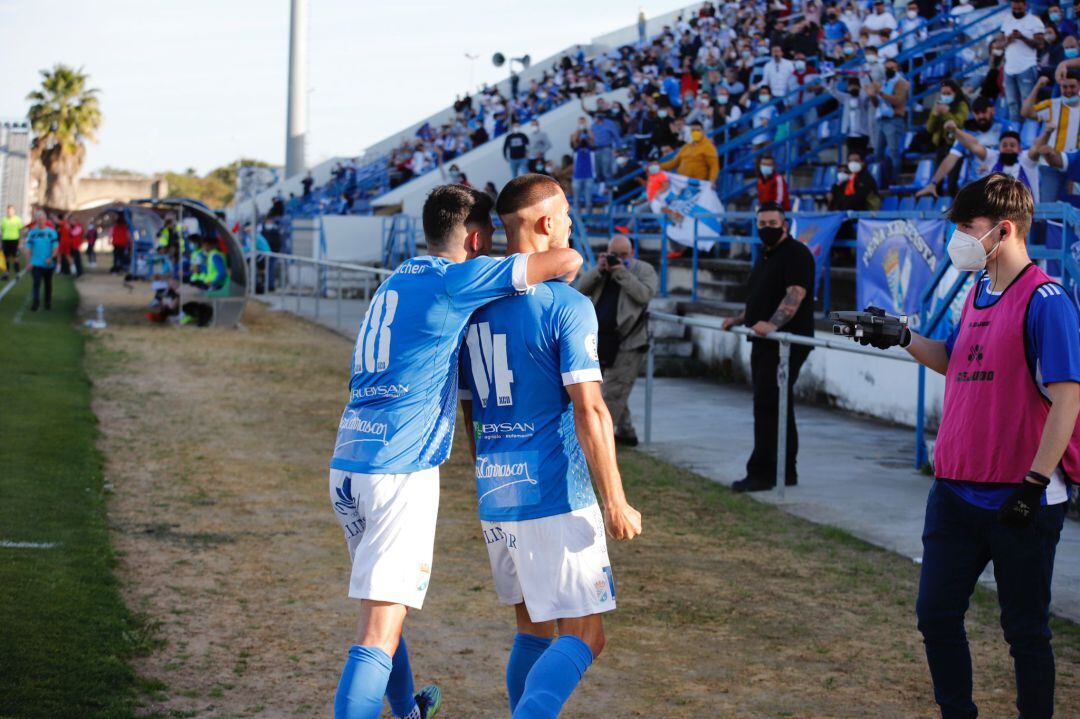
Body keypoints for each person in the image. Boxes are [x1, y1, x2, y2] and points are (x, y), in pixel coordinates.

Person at [326, 184, 582, 719]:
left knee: (386, 606)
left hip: (349, 459)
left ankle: (405, 710)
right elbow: (565, 257)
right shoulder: (456, 278)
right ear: (476, 237)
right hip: (400, 466)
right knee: (378, 623)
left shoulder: (396, 277)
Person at [844, 173, 1079, 719]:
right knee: (935, 615)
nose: (958, 239)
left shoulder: (1048, 301)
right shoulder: (977, 291)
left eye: (966, 228)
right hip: (954, 489)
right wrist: (900, 336)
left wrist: (1035, 482)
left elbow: (1068, 400)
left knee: (1025, 631)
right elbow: (956, 360)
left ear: (1002, 230)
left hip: (1019, 497)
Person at [459, 173, 642, 719]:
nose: (570, 223)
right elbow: (590, 408)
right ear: (545, 223)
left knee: (532, 630)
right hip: (556, 493)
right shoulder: (566, 303)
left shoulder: (473, 304)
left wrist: (487, 467)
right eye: (565, 214)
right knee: (587, 634)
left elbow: (471, 407)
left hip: (498, 488)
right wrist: (614, 499)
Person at [721, 203, 815, 492]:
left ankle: (763, 473)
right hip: (765, 341)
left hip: (784, 342)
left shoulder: (796, 253)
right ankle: (785, 471)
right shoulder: (765, 255)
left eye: (773, 223)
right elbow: (762, 297)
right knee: (775, 405)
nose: (767, 228)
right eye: (762, 223)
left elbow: (795, 294)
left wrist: (773, 325)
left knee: (769, 405)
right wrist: (740, 319)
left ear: (784, 224)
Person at [576, 235, 659, 447]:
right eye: (614, 254)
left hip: (629, 340)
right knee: (610, 388)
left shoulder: (643, 270)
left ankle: (598, 441)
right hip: (601, 338)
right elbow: (579, 289)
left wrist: (621, 272)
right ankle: (626, 432)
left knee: (613, 391)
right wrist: (599, 270)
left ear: (632, 253)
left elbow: (644, 295)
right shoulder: (603, 272)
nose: (618, 259)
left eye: (623, 255)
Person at [1023, 72, 1080, 201]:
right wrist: (1037, 86)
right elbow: (1026, 112)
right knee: (1048, 205)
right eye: (1064, 87)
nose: (1068, 91)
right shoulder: (1052, 105)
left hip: (1076, 165)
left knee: (1074, 206)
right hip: (1050, 164)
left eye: (1072, 86)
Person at [868, 56, 910, 187]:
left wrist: (880, 92)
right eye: (887, 67)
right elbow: (877, 104)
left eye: (891, 67)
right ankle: (879, 181)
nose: (889, 69)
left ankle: (894, 182)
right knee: (877, 153)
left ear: (897, 68)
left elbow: (898, 101)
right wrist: (872, 96)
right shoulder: (885, 82)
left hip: (894, 120)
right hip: (881, 120)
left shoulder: (902, 82)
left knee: (893, 152)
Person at [1002, 0, 1046, 123]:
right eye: (1014, 9)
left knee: (1027, 102)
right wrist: (1009, 39)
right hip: (1009, 68)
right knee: (1011, 103)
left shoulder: (1035, 21)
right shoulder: (1007, 20)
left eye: (1019, 9)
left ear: (1025, 6)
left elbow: (1040, 45)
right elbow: (1001, 44)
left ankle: (1028, 133)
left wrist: (1022, 37)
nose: (1016, 12)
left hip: (1026, 67)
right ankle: (1014, 132)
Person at [23, 211, 59, 312]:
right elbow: (28, 248)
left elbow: (55, 248)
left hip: (49, 264)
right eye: (38, 219)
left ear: (46, 220)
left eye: (42, 219)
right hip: (36, 264)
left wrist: (51, 258)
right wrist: (28, 262)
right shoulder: (32, 233)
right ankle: (35, 304)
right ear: (36, 220)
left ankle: (47, 303)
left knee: (48, 284)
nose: (40, 221)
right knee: (36, 283)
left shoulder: (52, 233)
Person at [571, 119, 596, 215]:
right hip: (577, 177)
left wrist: (587, 127)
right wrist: (579, 127)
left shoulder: (591, 148)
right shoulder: (576, 149)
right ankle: (576, 222)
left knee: (588, 201)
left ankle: (589, 220)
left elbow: (593, 139)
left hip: (589, 177)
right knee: (576, 201)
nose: (583, 140)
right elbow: (574, 140)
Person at [2, 204, 24, 279]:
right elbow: (2, 231)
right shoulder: (4, 219)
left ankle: (17, 274)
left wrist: (20, 242)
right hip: (6, 241)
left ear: (14, 211)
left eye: (11, 210)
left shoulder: (18, 220)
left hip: (14, 241)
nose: (9, 212)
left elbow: (21, 231)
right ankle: (6, 274)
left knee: (15, 258)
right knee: (5, 258)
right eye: (8, 210)